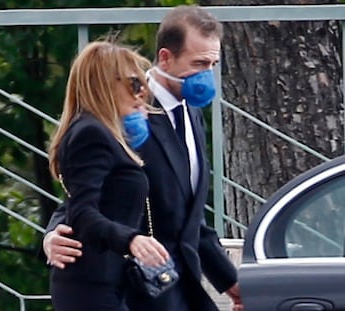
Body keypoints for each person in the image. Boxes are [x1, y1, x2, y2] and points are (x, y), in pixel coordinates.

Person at [44, 5, 244, 311]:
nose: (206, 75)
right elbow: (86, 192)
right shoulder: (124, 110)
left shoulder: (191, 114)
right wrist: (52, 234)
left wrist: (231, 283)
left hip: (177, 279)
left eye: (213, 64)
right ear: (166, 57)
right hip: (135, 284)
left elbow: (191, 217)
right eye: (199, 63)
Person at [47, 40, 170, 311]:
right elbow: (82, 212)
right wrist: (131, 239)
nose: (143, 93)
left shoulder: (105, 133)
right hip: (91, 284)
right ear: (106, 84)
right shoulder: (91, 133)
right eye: (134, 84)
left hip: (107, 280)